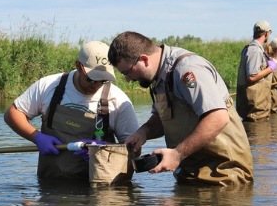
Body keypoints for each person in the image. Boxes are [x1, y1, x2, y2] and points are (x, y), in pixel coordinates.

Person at [108, 31, 254, 186]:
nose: (128, 80)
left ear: (144, 59)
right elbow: (161, 118)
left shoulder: (187, 69)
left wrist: (177, 154)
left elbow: (218, 117)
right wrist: (142, 133)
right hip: (191, 176)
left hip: (225, 178)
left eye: (127, 72)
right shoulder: (158, 78)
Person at [3, 41, 140, 179]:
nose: (97, 85)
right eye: (92, 79)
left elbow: (135, 149)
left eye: (103, 80)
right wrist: (37, 137)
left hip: (98, 190)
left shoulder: (119, 100)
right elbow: (13, 113)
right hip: (50, 186)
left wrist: (105, 149)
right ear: (78, 66)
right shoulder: (49, 86)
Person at [235, 20, 275, 122]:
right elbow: (252, 76)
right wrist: (270, 69)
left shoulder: (250, 48)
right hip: (256, 110)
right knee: (259, 136)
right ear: (266, 33)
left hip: (252, 108)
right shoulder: (255, 50)